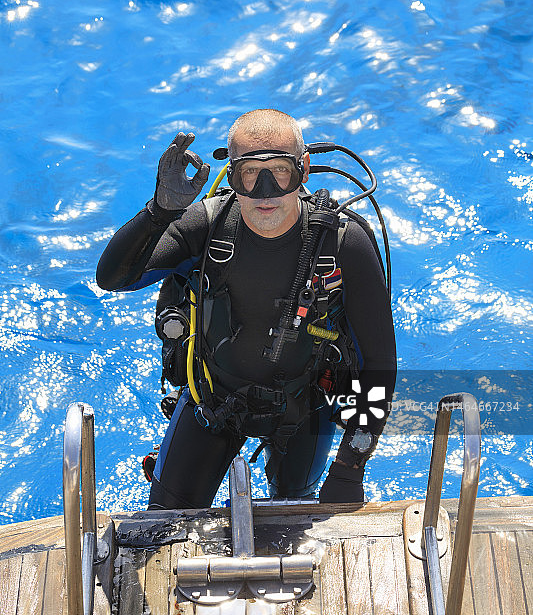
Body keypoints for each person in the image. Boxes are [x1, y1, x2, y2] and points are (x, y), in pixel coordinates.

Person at [96, 109, 396, 508]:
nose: (266, 191)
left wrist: (350, 465)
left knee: (296, 514)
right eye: (250, 174)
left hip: (304, 407)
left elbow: (378, 360)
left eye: (280, 171)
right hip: (213, 399)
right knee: (163, 521)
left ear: (303, 169)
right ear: (232, 174)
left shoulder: (343, 243)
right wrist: (159, 213)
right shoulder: (206, 226)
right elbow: (113, 278)